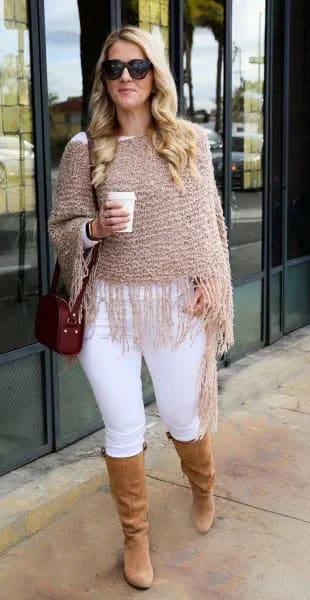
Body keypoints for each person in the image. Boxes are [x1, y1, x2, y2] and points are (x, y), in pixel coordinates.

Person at [48, 25, 234, 590]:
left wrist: (210, 281)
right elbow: (62, 230)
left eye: (137, 66)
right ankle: (135, 536)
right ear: (103, 79)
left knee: (182, 416)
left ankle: (202, 484)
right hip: (107, 307)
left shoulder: (188, 141)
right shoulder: (83, 149)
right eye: (114, 68)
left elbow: (208, 225)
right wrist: (92, 228)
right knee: (123, 426)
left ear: (155, 75)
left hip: (176, 303)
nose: (126, 77)